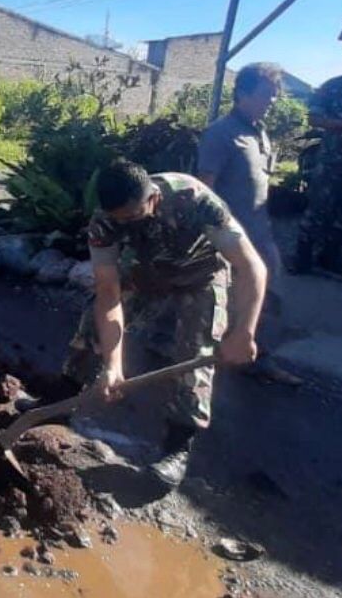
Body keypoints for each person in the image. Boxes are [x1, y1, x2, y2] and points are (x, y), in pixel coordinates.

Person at [62, 161, 265, 488]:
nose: (122, 223)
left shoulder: (195, 200)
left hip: (201, 273)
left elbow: (251, 266)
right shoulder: (104, 222)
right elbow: (109, 292)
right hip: (148, 268)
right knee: (91, 322)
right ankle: (62, 396)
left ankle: (177, 449)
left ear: (153, 199)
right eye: (117, 218)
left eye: (130, 217)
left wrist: (244, 331)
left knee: (193, 351)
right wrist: (113, 366)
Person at [198, 65, 284, 285]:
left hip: (260, 235)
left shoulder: (260, 132)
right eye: (266, 95)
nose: (272, 102)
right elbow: (204, 190)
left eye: (274, 96)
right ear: (243, 94)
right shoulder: (220, 133)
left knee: (263, 302)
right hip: (230, 241)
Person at [295, 70, 342, 273]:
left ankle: (331, 259)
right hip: (332, 163)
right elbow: (314, 118)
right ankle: (302, 258)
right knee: (319, 208)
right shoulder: (333, 87)